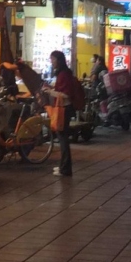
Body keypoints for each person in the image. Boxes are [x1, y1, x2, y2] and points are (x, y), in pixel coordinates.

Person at [45, 49, 79, 177]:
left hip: (64, 109)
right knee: (62, 137)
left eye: (53, 59)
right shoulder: (64, 73)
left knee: (63, 138)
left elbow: (65, 94)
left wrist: (50, 92)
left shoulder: (63, 74)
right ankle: (63, 166)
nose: (52, 62)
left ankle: (65, 169)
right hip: (65, 108)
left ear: (59, 60)